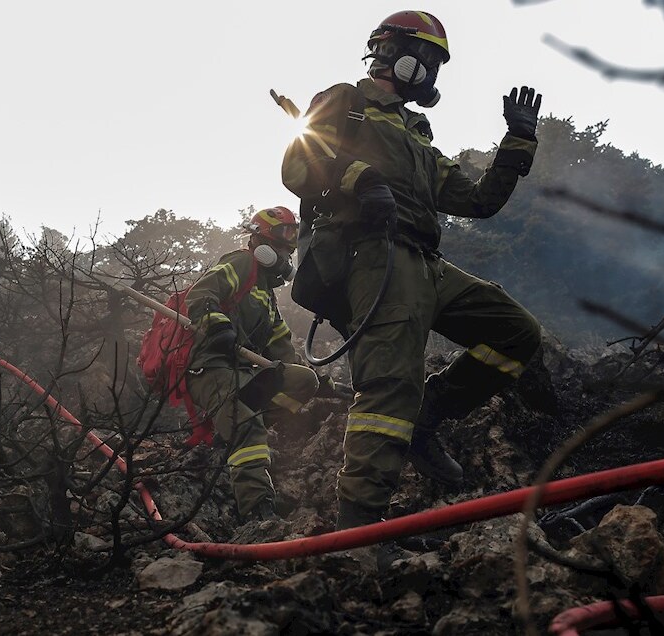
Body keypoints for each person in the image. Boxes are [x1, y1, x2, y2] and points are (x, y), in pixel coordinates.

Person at [281, 10, 544, 533]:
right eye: (427, 58)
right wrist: (360, 178)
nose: (431, 73)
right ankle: (359, 531)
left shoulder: (417, 133)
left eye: (436, 64)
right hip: (375, 255)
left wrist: (518, 141)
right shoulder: (346, 102)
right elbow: (297, 165)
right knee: (389, 386)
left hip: (426, 261)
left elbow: (476, 200)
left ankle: (430, 415)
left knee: (516, 333)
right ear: (395, 52)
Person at [184, 206, 326, 522]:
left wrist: (319, 379)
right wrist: (218, 324)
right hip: (209, 367)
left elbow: (281, 346)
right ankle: (258, 510)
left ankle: (237, 425)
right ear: (263, 240)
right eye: (283, 235)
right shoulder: (241, 262)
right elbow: (200, 295)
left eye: (293, 236)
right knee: (245, 426)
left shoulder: (264, 291)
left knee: (303, 381)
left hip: (242, 373)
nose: (288, 246)